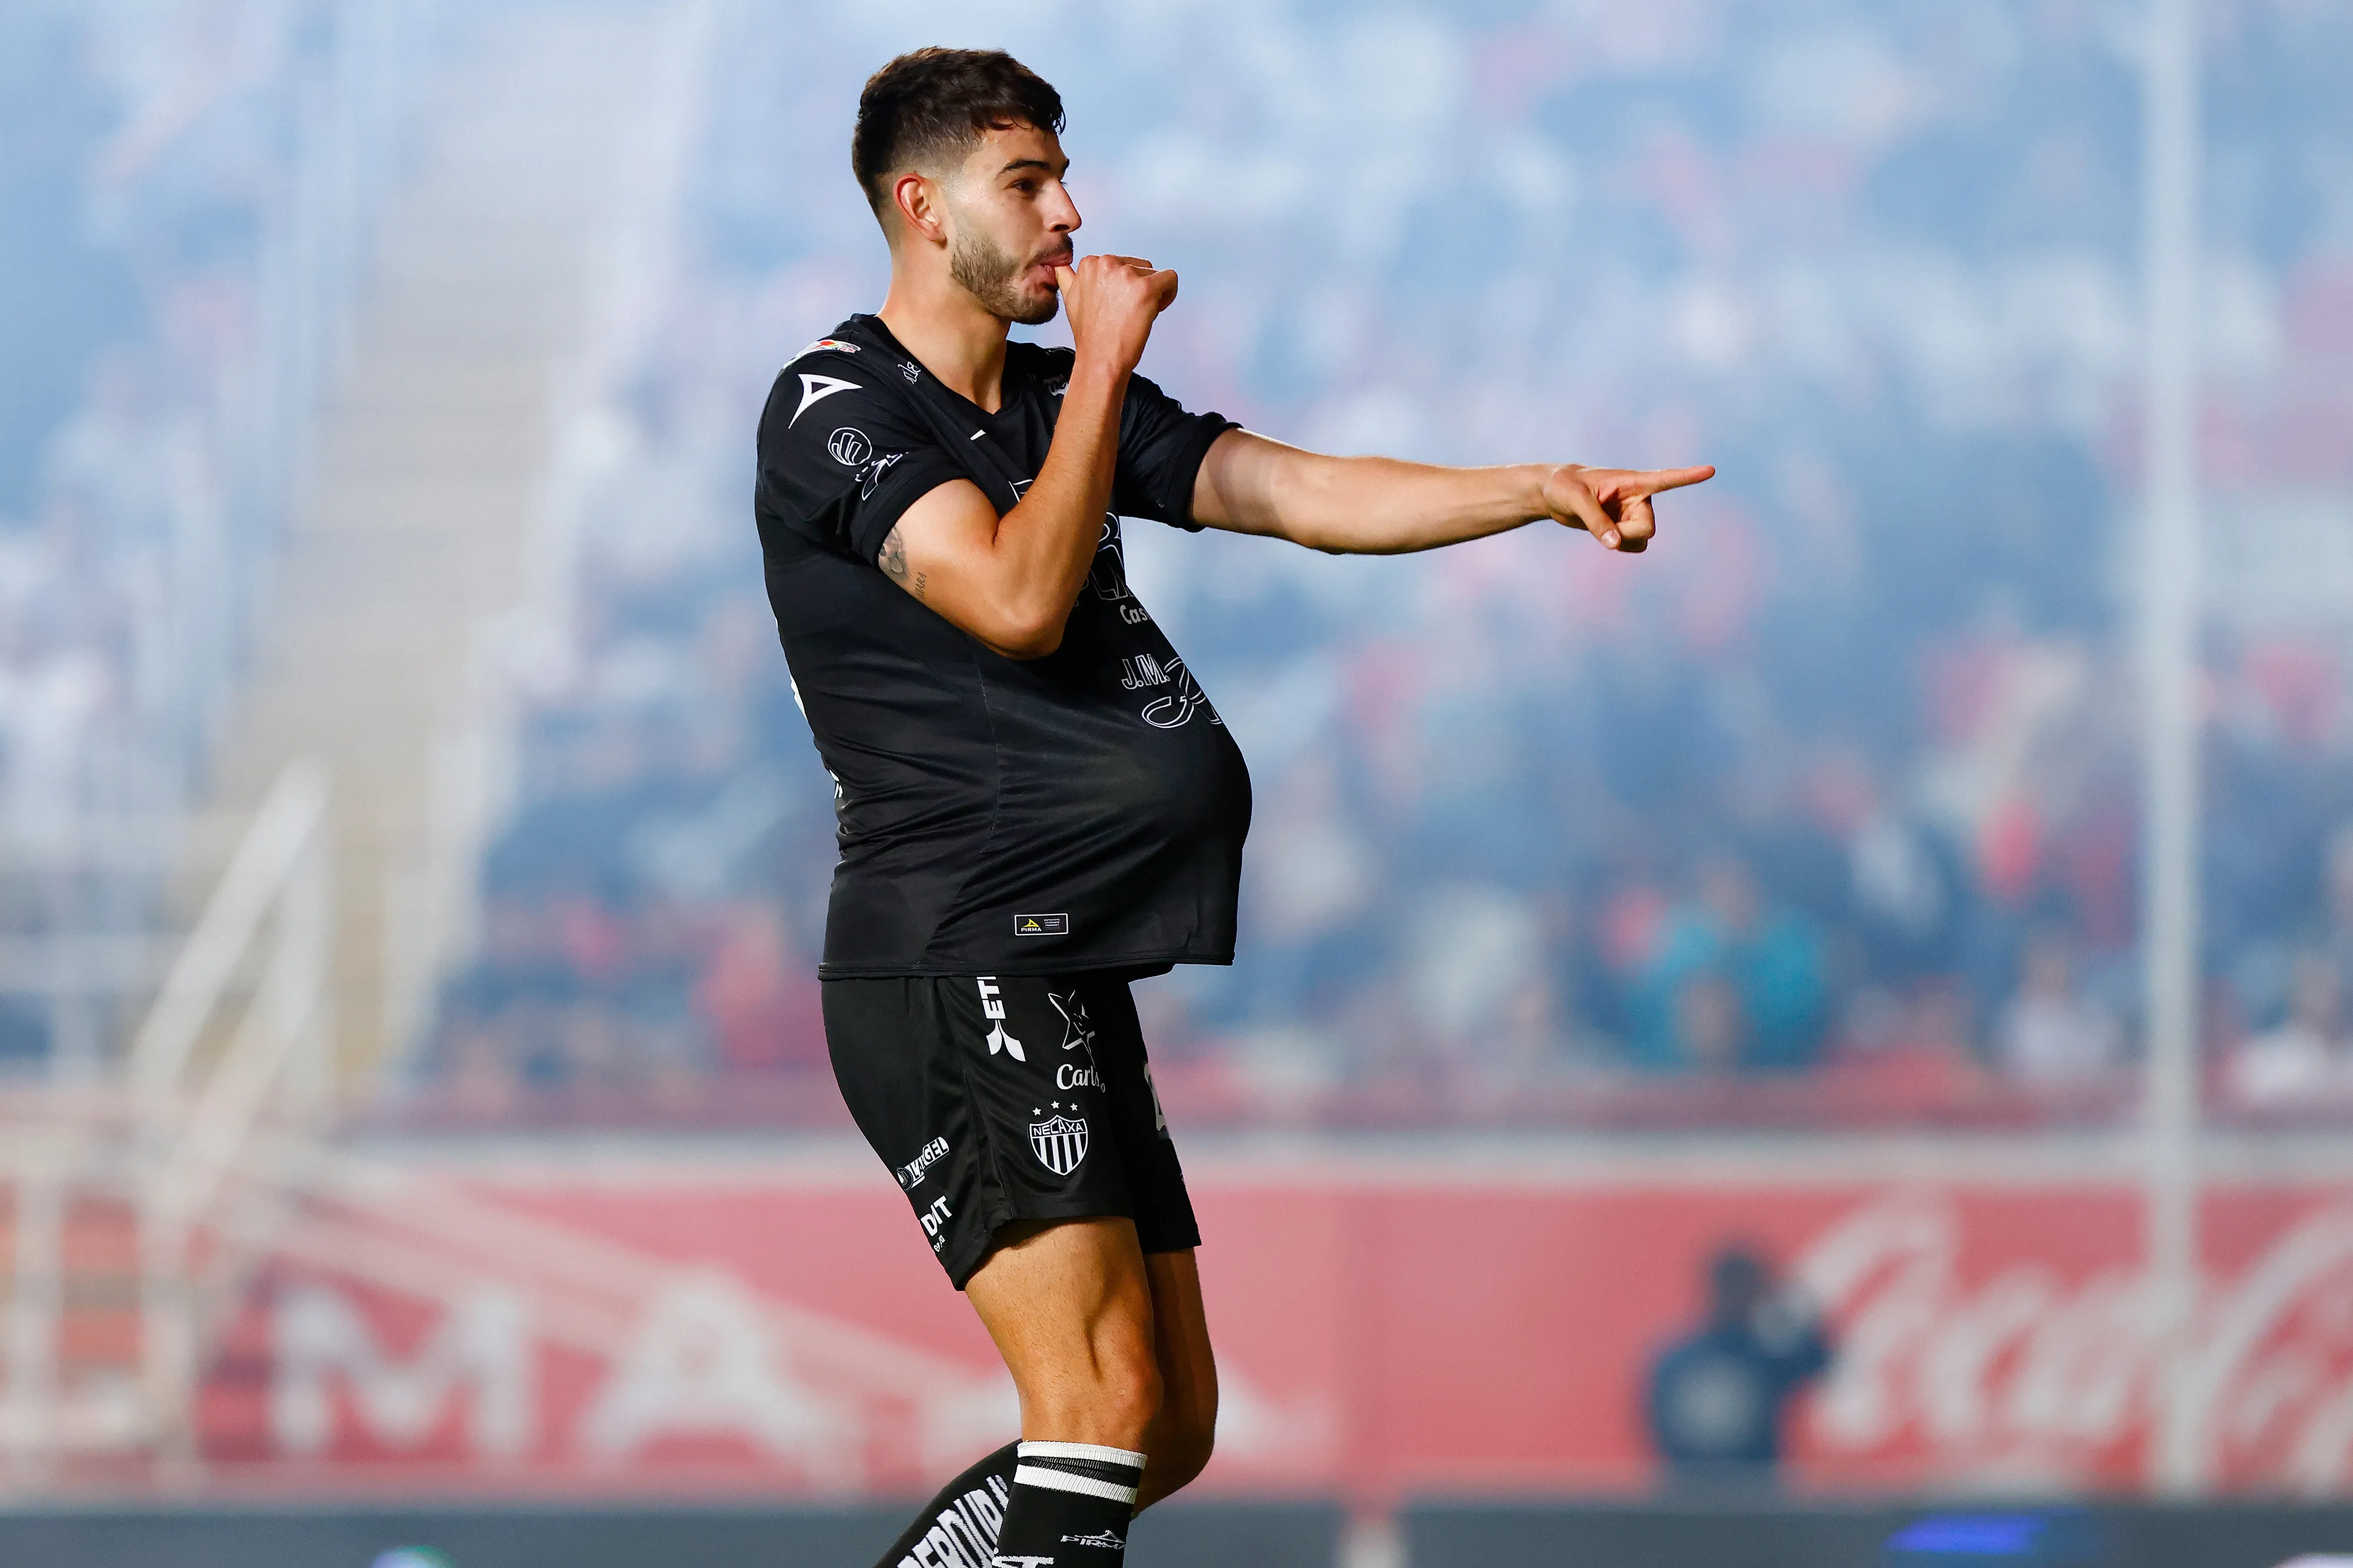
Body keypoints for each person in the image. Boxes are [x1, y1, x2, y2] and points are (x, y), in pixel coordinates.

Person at [753, 48, 1713, 1567]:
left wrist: (1533, 488)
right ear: (923, 207)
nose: (1071, 213)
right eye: (1030, 183)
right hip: (952, 950)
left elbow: (1298, 492)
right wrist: (1111, 373)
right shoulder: (835, 405)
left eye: (1066, 175)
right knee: (1097, 1397)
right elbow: (1011, 593)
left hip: (1053, 951)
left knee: (1171, 1418)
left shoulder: (1060, 402)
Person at [1645, 1245, 1832, 1489]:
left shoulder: (1768, 1356)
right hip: (1699, 1498)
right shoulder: (1759, 1357)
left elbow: (1821, 1362)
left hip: (1755, 1501)